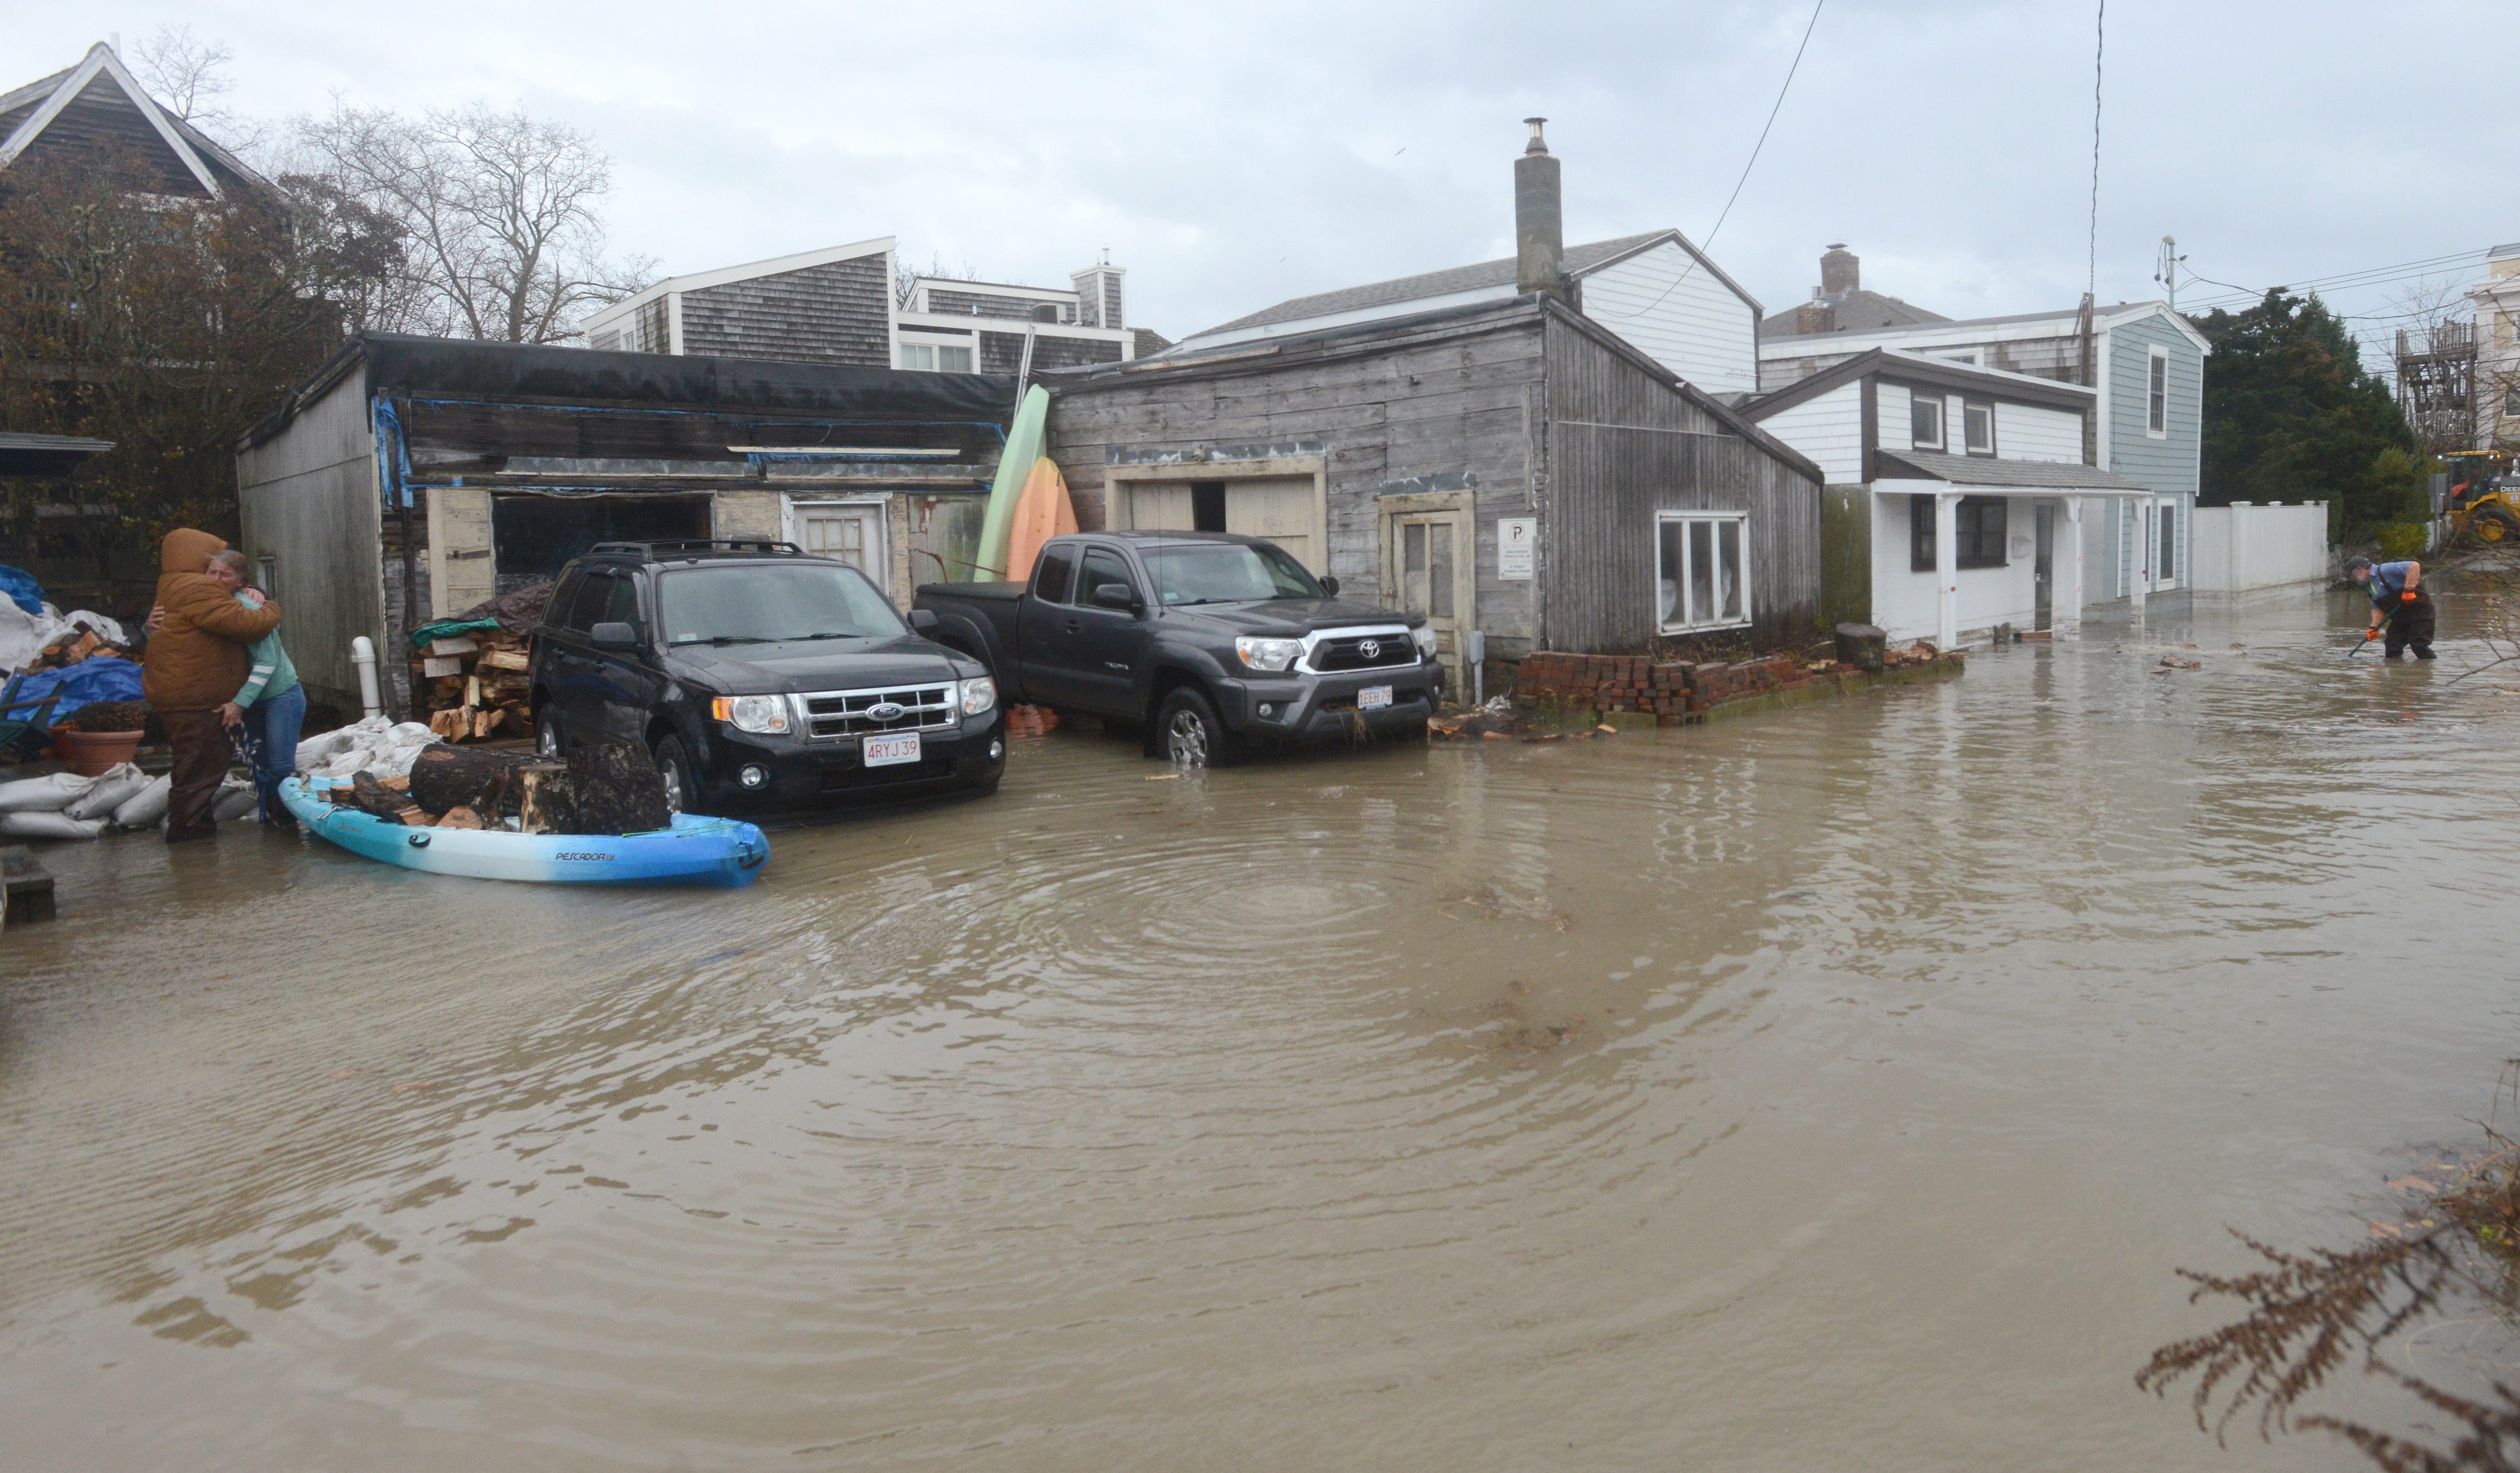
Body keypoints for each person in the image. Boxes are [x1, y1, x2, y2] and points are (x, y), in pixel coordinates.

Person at [142, 529, 282, 842]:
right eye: (210, 563)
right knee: (200, 770)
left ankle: (199, 828)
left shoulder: (173, 584)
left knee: (193, 767)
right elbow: (247, 624)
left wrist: (253, 591)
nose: (214, 573)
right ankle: (188, 837)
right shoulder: (196, 588)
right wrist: (270, 606)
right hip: (195, 700)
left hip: (183, 696)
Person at [206, 549, 303, 831]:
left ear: (239, 581)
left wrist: (239, 703)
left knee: (280, 768)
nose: (216, 579)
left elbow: (268, 661)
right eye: (212, 572)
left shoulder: (247, 609)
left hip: (280, 696)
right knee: (259, 768)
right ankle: (270, 826)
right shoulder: (207, 607)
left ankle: (288, 830)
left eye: (224, 575)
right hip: (249, 700)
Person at [2347, 556, 2435, 661]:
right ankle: (2396, 673)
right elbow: (2378, 609)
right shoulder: (2370, 587)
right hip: (2400, 619)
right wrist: (2374, 628)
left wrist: (2409, 590)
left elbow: (2414, 566)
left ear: (2360, 570)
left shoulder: (2385, 569)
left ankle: (2429, 669)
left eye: (2353, 576)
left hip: (2421, 613)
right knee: (2392, 646)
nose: (2354, 579)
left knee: (2418, 645)